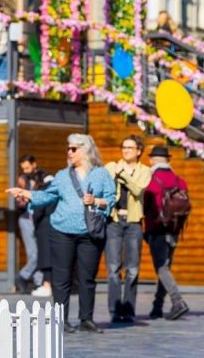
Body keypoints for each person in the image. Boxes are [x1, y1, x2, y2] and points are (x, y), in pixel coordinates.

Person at [8, 134, 115, 334]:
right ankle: (61, 319)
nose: (69, 152)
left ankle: (86, 319)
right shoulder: (62, 175)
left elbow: (110, 199)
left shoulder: (101, 174)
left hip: (90, 233)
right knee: (61, 278)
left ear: (85, 150)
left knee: (87, 278)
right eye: (68, 148)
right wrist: (27, 194)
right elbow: (47, 195)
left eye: (73, 149)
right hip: (61, 232)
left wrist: (96, 201)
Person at [105, 134, 151, 324]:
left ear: (138, 151)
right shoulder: (111, 167)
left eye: (130, 147)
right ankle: (115, 310)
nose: (125, 150)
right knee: (113, 268)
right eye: (123, 147)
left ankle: (129, 310)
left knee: (132, 269)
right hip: (114, 221)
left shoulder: (145, 171)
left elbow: (138, 189)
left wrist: (122, 174)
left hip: (133, 223)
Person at [143, 145, 190, 321]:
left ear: (152, 160)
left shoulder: (151, 180)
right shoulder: (179, 181)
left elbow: (145, 206)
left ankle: (178, 301)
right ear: (168, 160)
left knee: (161, 268)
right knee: (165, 268)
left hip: (157, 228)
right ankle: (157, 306)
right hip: (175, 229)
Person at [14, 155, 48, 293]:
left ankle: (26, 277)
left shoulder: (44, 177)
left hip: (39, 219)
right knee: (33, 253)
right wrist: (23, 198)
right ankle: (35, 281)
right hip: (26, 219)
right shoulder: (22, 179)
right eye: (23, 168)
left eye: (27, 167)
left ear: (34, 164)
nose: (25, 171)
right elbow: (19, 202)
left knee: (41, 252)